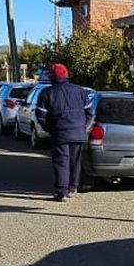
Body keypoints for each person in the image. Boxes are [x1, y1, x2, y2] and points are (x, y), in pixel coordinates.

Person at [35, 63, 93, 202]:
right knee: (75, 161)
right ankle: (72, 187)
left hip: (60, 133)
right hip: (79, 133)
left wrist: (50, 128)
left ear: (52, 77)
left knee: (61, 162)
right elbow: (90, 112)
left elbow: (40, 116)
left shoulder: (47, 93)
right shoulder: (80, 91)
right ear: (66, 75)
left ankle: (62, 191)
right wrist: (84, 127)